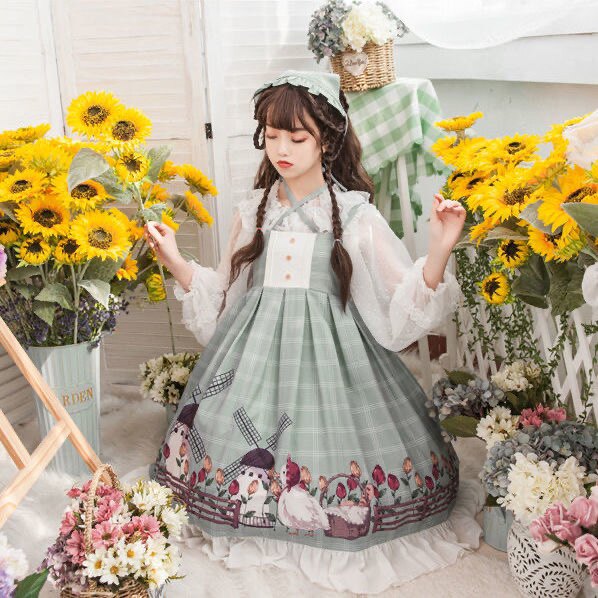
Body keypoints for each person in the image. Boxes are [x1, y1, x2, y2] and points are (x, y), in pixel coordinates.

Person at [147, 70, 482, 594]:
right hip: (254, 359)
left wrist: (439, 248)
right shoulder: (252, 213)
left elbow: (400, 309)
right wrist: (174, 260)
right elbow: (223, 304)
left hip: (336, 359)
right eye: (271, 135)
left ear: (326, 139)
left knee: (346, 451)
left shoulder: (354, 215)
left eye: (296, 138)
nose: (281, 149)